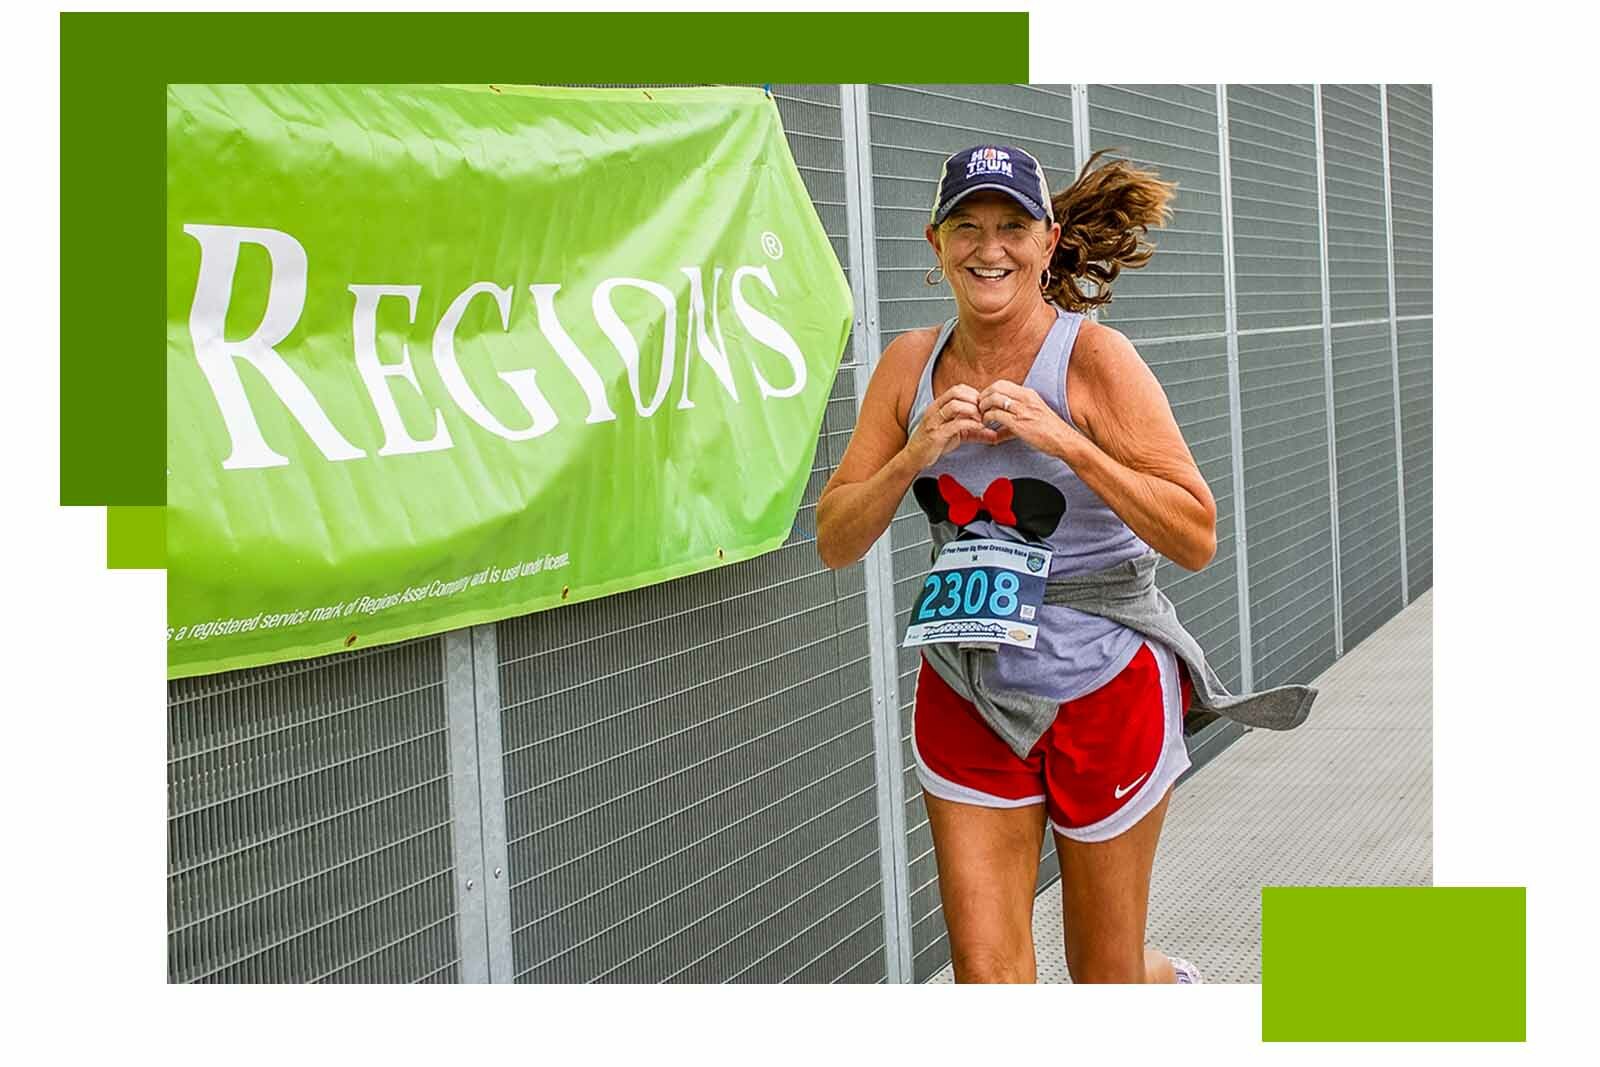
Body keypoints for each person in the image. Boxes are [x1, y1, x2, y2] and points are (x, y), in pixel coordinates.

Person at [816, 144, 1313, 984]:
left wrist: (1066, 441)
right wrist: (913, 453)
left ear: (1047, 243)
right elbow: (835, 537)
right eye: (967, 226)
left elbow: (1195, 534)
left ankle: (1174, 988)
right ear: (933, 242)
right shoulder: (909, 366)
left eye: (1012, 226)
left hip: (1105, 680)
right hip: (969, 679)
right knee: (986, 974)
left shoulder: (1093, 360)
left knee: (1105, 978)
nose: (989, 247)